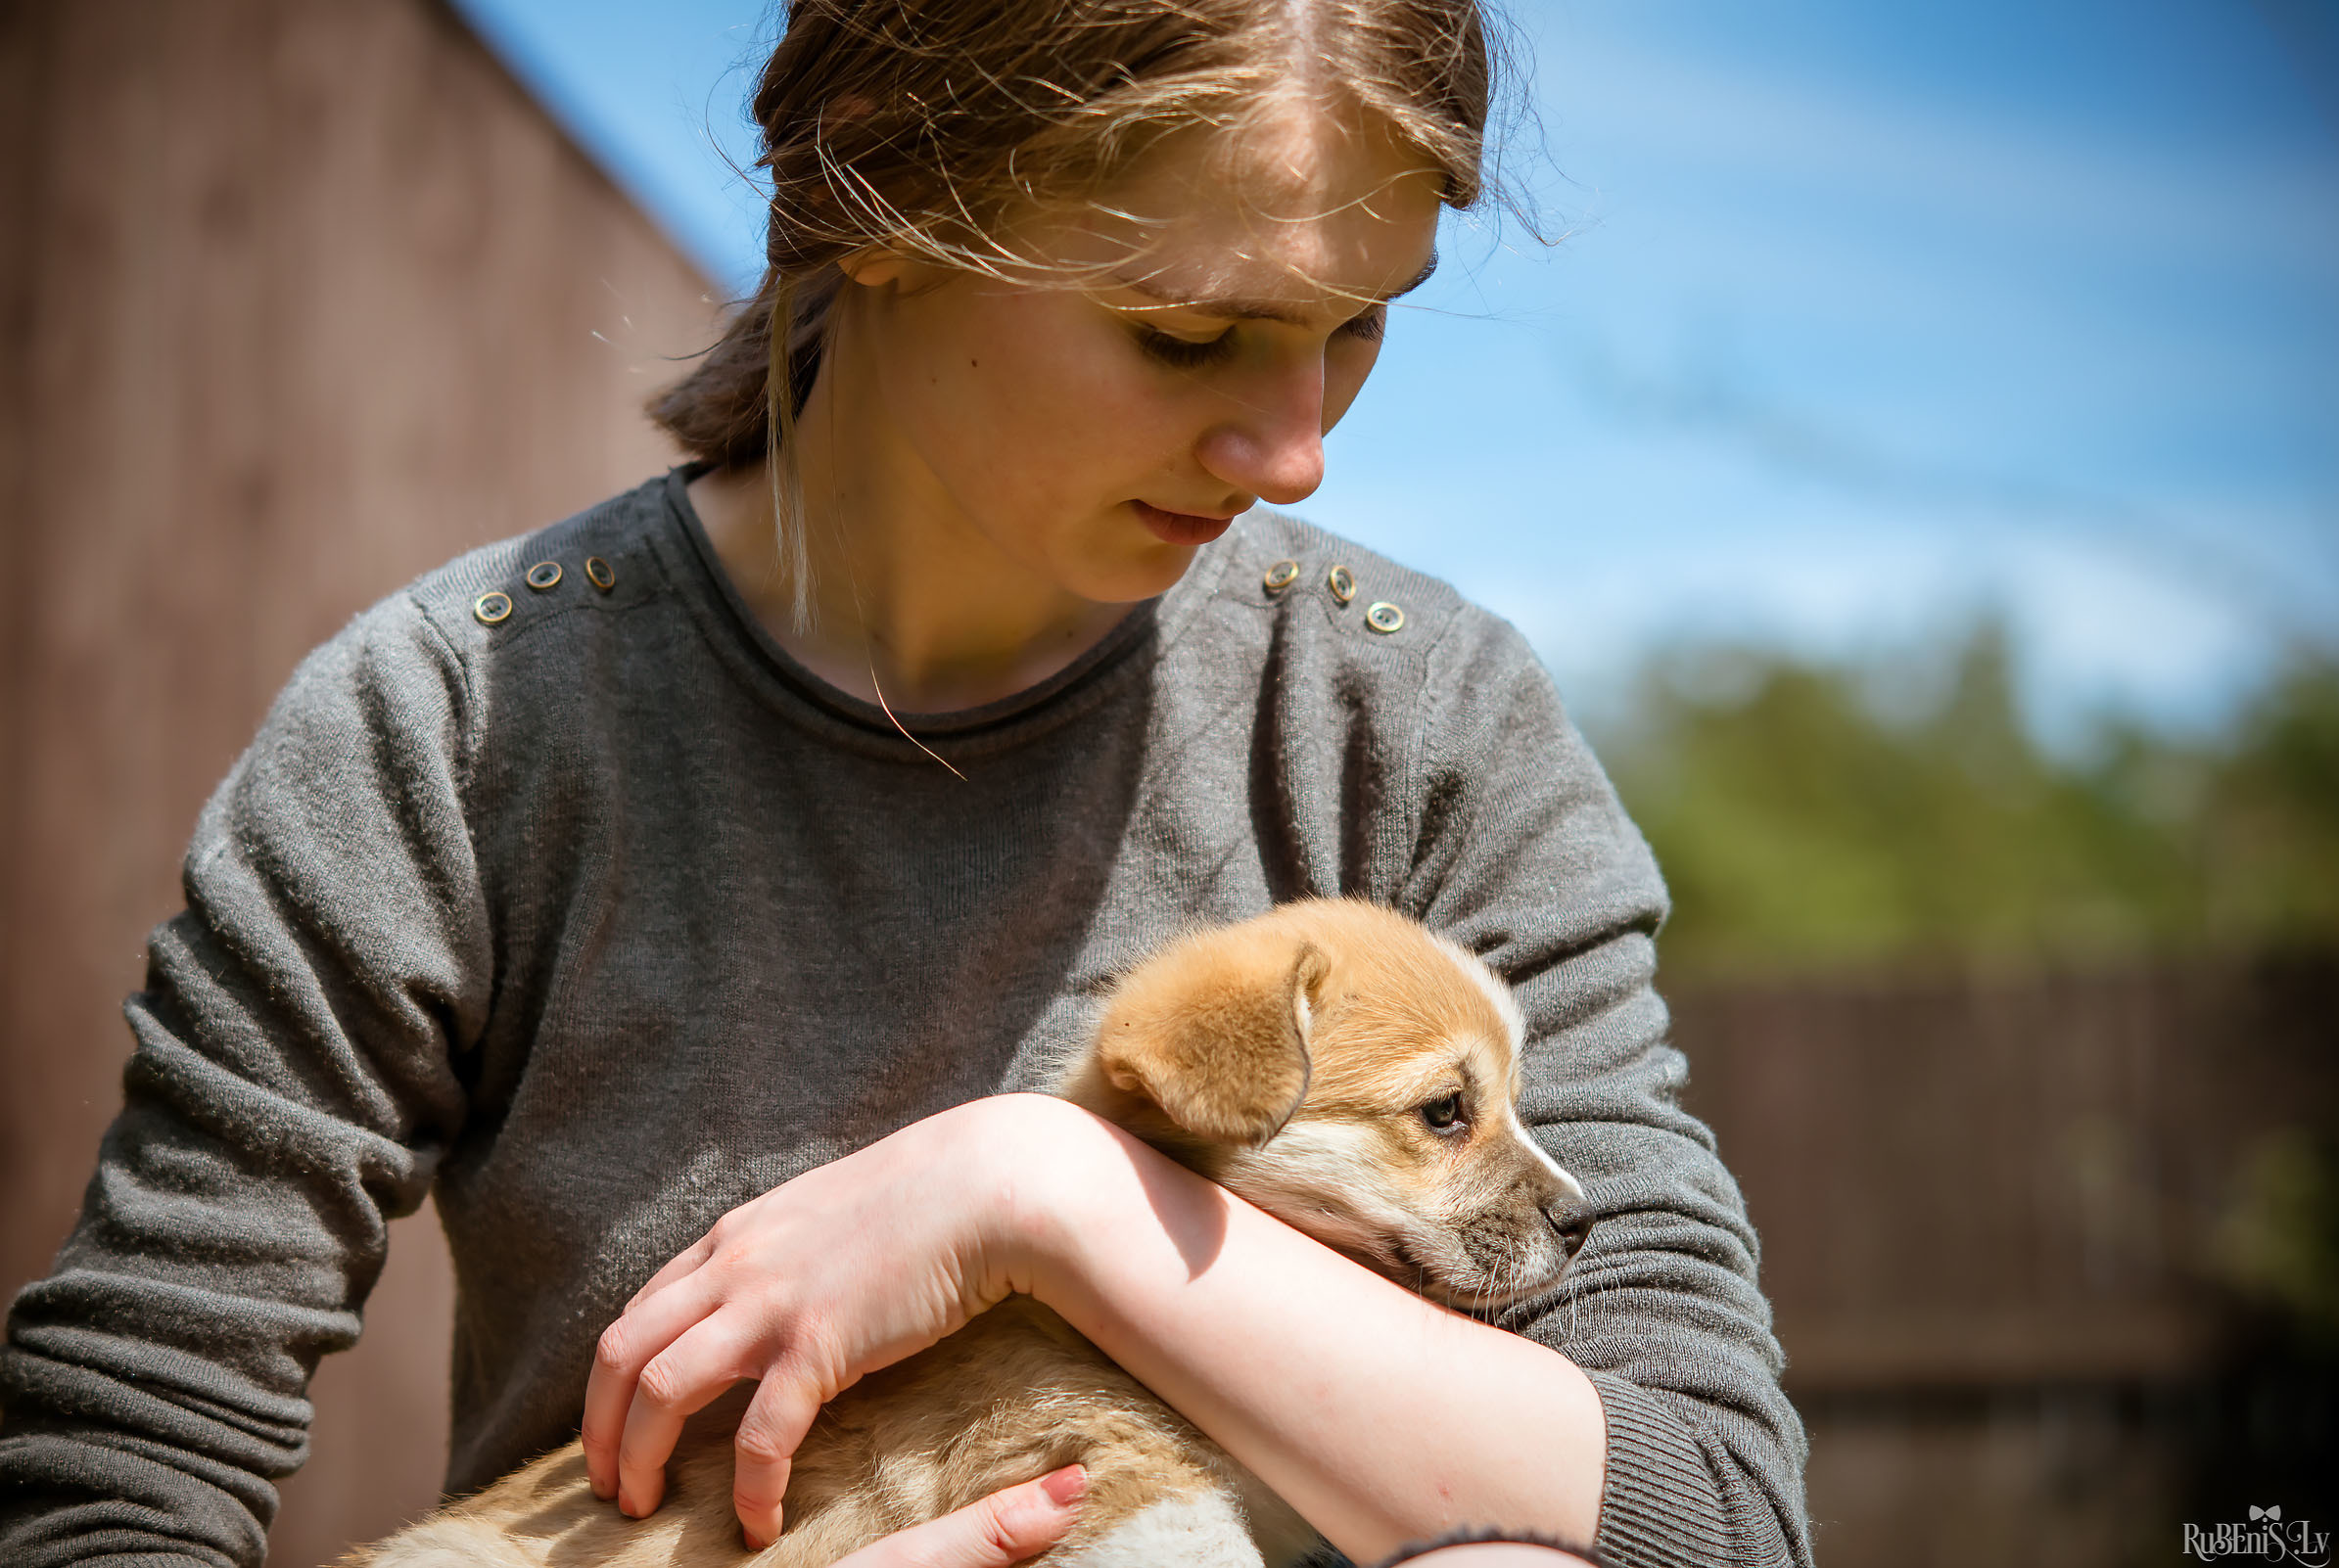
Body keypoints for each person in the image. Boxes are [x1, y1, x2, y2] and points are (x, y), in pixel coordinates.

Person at [0, 1, 1810, 1565]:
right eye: (1186, 331)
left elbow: (1709, 1508)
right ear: (878, 187)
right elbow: (105, 1479)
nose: (1299, 450)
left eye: (1362, 322)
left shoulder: (1419, 727)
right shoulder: (452, 731)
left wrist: (1049, 1193)